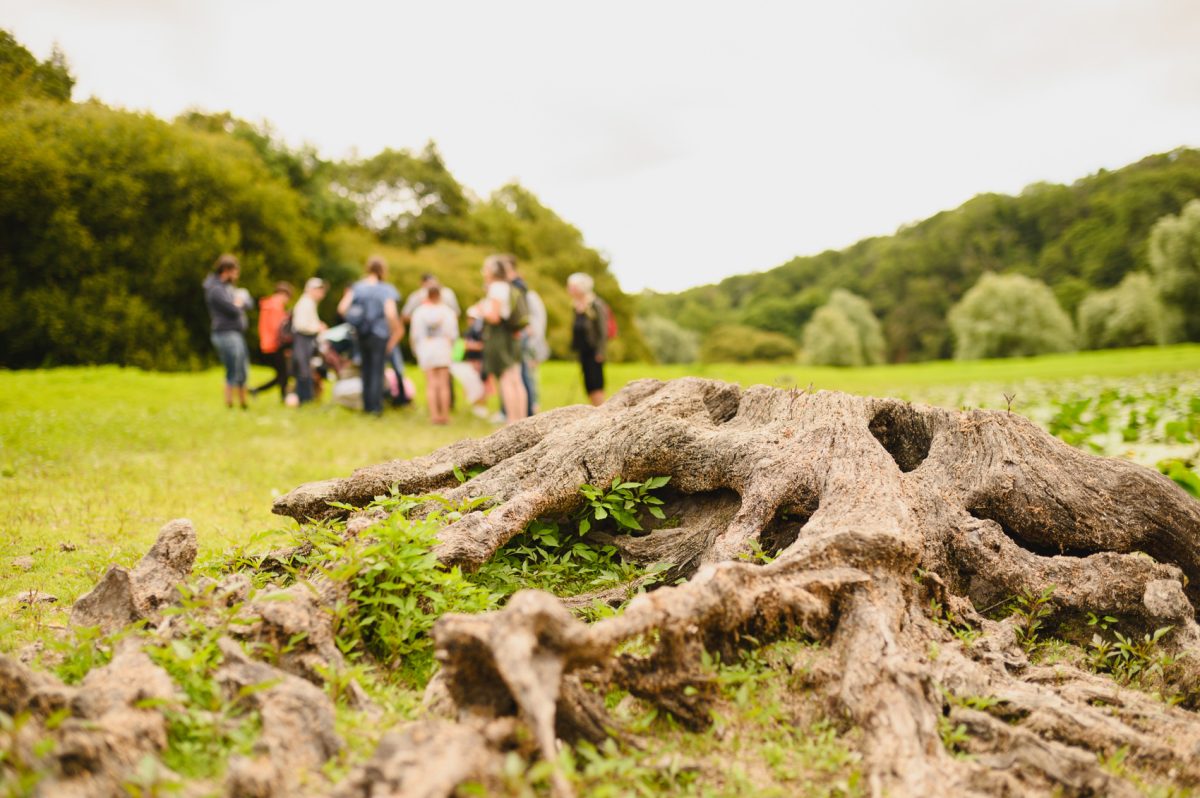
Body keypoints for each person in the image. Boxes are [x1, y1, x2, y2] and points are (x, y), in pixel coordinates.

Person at [338, 256, 402, 415]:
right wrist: (395, 330)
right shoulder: (386, 289)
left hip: (361, 333)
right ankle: (375, 408)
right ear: (383, 270)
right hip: (379, 334)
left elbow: (342, 307)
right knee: (377, 370)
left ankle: (366, 406)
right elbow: (390, 312)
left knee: (365, 370)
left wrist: (356, 321)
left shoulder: (357, 287)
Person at [473, 255, 527, 424]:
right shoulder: (508, 286)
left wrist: (481, 311)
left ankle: (511, 420)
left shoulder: (495, 287)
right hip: (511, 334)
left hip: (499, 335)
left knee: (505, 378)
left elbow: (494, 317)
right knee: (516, 378)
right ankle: (521, 418)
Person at [203, 253, 251, 409]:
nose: (237, 275)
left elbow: (247, 303)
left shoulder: (228, 288)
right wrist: (238, 302)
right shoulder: (215, 289)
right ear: (226, 270)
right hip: (225, 333)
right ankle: (230, 402)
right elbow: (233, 310)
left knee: (242, 367)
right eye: (235, 271)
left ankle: (243, 402)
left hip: (236, 333)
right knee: (233, 367)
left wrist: (239, 302)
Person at [503, 255, 549, 415]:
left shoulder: (521, 290)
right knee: (517, 375)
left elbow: (533, 320)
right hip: (518, 337)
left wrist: (534, 341)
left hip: (523, 338)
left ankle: (529, 409)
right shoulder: (513, 289)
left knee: (524, 375)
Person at [409, 284, 459, 425]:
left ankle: (434, 416)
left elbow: (415, 334)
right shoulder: (447, 312)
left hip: (426, 348)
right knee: (444, 383)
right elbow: (453, 334)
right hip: (443, 347)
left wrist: (416, 350)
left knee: (431, 383)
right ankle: (445, 415)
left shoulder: (419, 312)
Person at [567, 272, 609, 406]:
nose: (569, 289)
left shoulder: (595, 304)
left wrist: (601, 351)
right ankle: (594, 409)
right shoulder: (576, 305)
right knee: (588, 384)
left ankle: (601, 410)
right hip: (583, 351)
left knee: (596, 383)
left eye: (572, 287)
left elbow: (603, 330)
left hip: (594, 351)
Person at [251, 282, 294, 401]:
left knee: (283, 373)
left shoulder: (268, 305)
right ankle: (283, 397)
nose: (287, 301)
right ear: (282, 294)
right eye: (287, 297)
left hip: (268, 343)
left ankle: (257, 390)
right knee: (284, 373)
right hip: (275, 344)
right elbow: (278, 329)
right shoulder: (275, 307)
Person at [291, 277, 327, 404]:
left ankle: (306, 398)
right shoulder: (305, 303)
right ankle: (304, 399)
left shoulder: (309, 303)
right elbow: (300, 325)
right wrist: (317, 327)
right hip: (303, 339)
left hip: (307, 340)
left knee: (306, 369)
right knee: (303, 369)